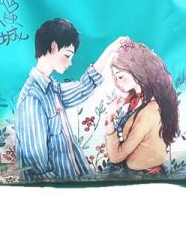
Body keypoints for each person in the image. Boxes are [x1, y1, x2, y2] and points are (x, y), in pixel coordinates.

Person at [14, 18, 124, 182]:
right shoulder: (32, 98)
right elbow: (36, 167)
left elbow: (84, 86)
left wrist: (109, 51)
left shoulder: (52, 89)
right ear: (53, 47)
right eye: (67, 55)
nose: (70, 63)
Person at [103, 39, 180, 178]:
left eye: (120, 76)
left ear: (137, 71)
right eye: (115, 78)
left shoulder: (148, 111)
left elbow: (116, 156)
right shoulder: (139, 100)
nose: (117, 83)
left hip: (143, 175)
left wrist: (109, 117)